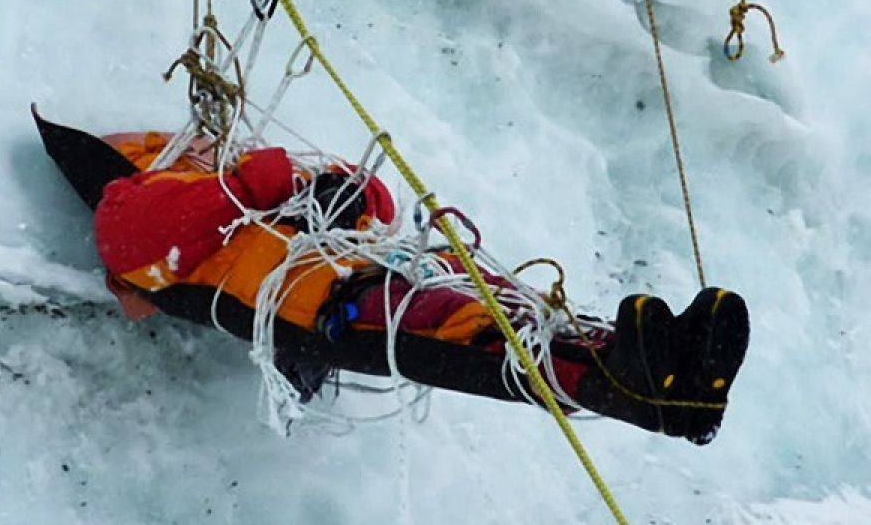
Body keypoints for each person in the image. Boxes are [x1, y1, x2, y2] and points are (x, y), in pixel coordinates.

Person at [88, 132, 750, 445]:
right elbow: (144, 230)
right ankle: (624, 385)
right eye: (193, 144)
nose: (208, 139)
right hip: (321, 300)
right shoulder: (141, 203)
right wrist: (274, 179)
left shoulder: (229, 195)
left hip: (370, 265)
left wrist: (336, 190)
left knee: (506, 307)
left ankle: (658, 369)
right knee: (468, 330)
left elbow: (367, 193)